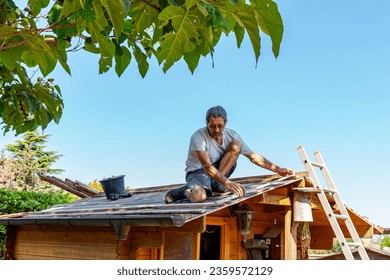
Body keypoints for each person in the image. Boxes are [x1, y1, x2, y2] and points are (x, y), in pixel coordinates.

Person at [165, 105, 295, 204]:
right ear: (207, 124)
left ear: (225, 123)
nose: (216, 130)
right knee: (200, 197)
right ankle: (184, 191)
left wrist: (279, 169)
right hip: (198, 172)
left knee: (236, 145)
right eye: (212, 126)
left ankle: (216, 185)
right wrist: (227, 182)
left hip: (218, 172)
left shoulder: (231, 135)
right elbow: (206, 166)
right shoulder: (198, 137)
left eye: (220, 126)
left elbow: (253, 157)